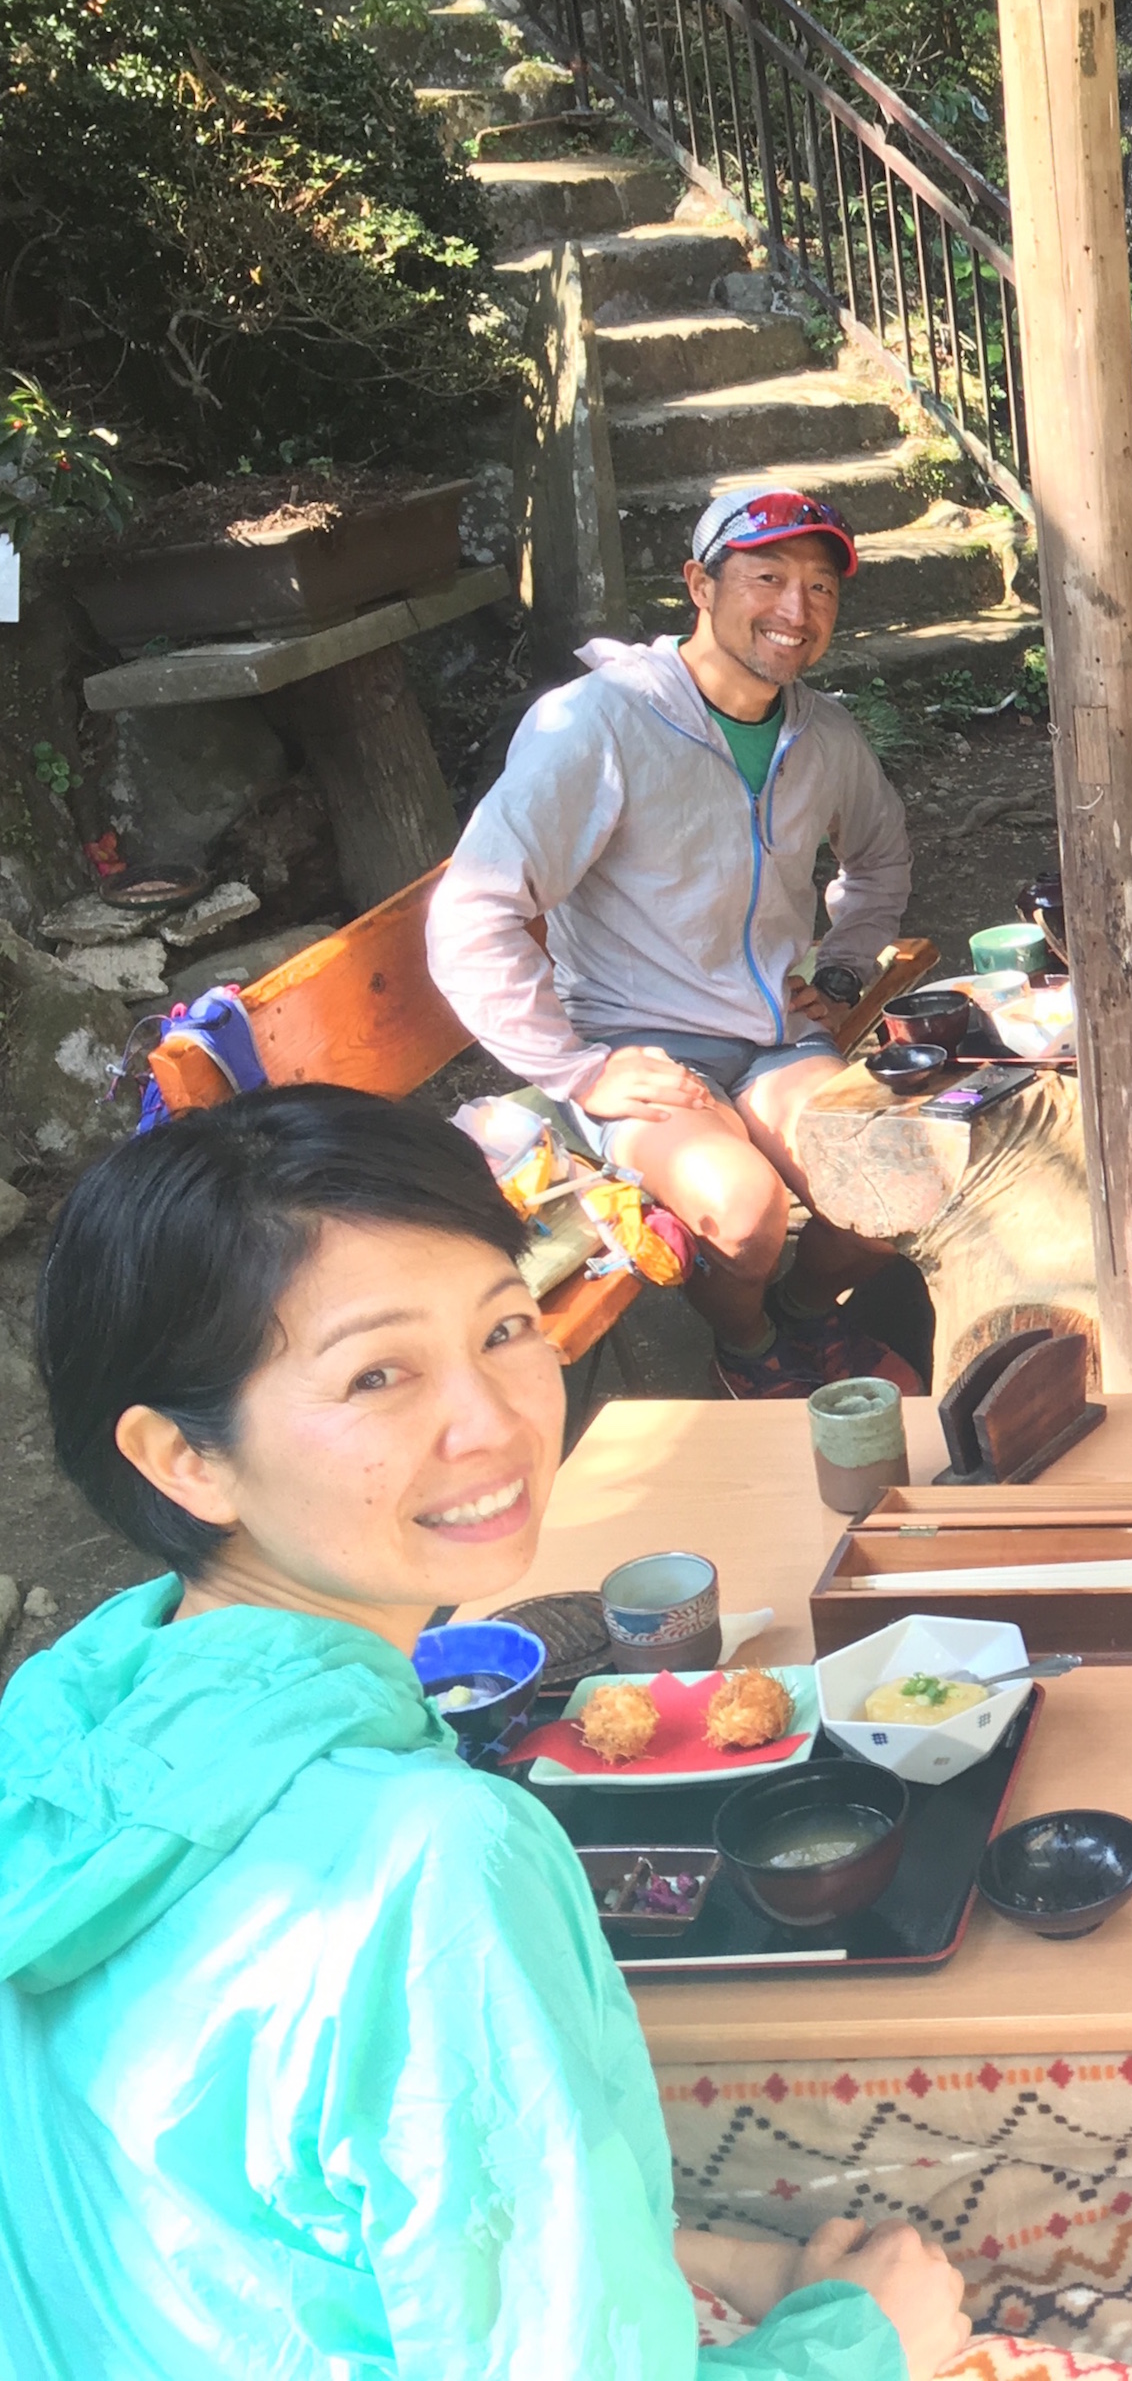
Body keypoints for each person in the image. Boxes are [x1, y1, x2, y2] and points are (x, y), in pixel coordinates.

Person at [3, 1087, 973, 2378]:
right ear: (185, 1457)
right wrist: (862, 2339)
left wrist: (680, 2250)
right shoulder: (432, 1865)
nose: (498, 1419)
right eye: (377, 1373)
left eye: (505, 1326)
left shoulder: (65, 1713)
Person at [428, 485, 918, 1400]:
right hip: (639, 1047)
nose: (795, 608)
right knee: (745, 1211)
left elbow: (880, 857)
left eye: (820, 587)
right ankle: (747, 1344)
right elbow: (472, 912)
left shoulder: (822, 733)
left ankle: (806, 1316)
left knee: (895, 1181)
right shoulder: (601, 722)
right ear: (700, 585)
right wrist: (578, 1070)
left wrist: (845, 968)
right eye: (767, 577)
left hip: (775, 1036)